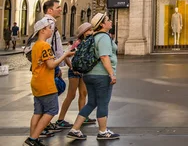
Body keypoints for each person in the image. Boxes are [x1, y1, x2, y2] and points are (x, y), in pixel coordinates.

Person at [67, 13, 120, 141]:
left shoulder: (93, 37)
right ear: (102, 24)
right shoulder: (103, 37)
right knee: (103, 102)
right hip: (101, 75)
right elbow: (104, 56)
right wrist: (111, 74)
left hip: (89, 75)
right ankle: (102, 131)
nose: (111, 21)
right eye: (108, 20)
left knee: (92, 102)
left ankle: (75, 129)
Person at [24, 19, 75, 146]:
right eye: (48, 28)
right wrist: (65, 55)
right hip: (46, 83)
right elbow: (51, 64)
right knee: (52, 110)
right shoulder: (45, 45)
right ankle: (33, 138)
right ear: (42, 30)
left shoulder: (35, 45)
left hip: (36, 82)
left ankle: (32, 138)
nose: (51, 30)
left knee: (38, 112)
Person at [54, 23, 96, 129]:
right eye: (89, 30)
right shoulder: (77, 43)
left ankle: (83, 117)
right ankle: (60, 119)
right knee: (71, 95)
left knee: (83, 93)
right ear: (84, 33)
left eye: (91, 30)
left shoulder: (88, 43)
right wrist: (72, 67)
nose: (91, 32)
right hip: (74, 72)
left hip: (83, 72)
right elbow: (66, 56)